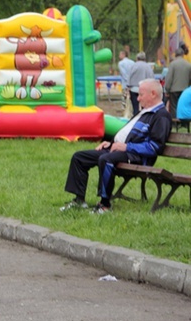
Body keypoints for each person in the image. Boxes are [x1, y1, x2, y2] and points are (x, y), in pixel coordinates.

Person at [62, 79, 171, 214]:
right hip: (121, 150)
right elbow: (128, 133)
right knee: (79, 157)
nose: (137, 98)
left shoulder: (161, 116)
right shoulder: (143, 112)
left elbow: (155, 147)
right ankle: (79, 201)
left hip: (137, 156)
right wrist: (111, 142)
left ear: (153, 94)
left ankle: (105, 205)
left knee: (106, 159)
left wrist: (126, 147)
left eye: (141, 95)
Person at [163, 47, 191, 119]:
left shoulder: (173, 64)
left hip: (174, 89)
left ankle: (175, 122)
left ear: (175, 54)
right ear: (183, 54)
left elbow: (169, 78)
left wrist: (167, 89)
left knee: (174, 107)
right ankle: (184, 122)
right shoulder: (188, 64)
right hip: (185, 90)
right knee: (183, 105)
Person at [117, 50, 134, 117]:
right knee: (131, 98)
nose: (119, 56)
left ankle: (125, 112)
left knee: (124, 98)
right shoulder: (132, 62)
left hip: (125, 83)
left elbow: (123, 73)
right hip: (133, 83)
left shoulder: (121, 63)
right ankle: (131, 111)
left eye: (120, 54)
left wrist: (127, 81)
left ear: (124, 54)